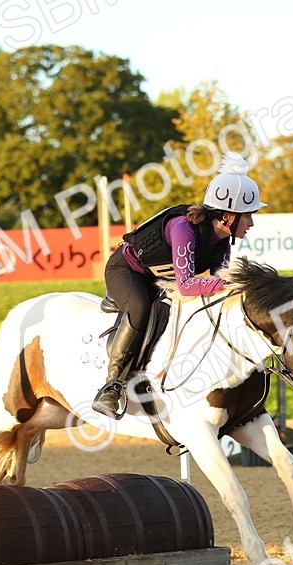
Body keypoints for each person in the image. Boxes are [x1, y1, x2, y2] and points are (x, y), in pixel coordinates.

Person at [91, 152, 266, 419]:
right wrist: (232, 283)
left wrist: (234, 285)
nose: (251, 222)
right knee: (139, 309)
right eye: (248, 215)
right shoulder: (183, 229)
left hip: (160, 278)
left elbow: (218, 279)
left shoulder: (222, 238)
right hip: (126, 271)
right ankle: (111, 386)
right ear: (228, 215)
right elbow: (187, 285)